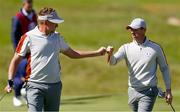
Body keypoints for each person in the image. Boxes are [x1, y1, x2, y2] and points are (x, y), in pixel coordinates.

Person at [5, 7, 106, 111]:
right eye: (54, 22)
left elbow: (73, 53)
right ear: (45, 22)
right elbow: (15, 60)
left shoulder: (57, 37)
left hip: (54, 86)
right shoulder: (28, 37)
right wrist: (10, 81)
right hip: (34, 85)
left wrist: (97, 53)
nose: (57, 25)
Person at [106, 18, 173, 112]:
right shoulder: (126, 48)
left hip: (149, 91)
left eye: (135, 29)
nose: (132, 32)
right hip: (132, 91)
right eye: (131, 29)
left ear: (144, 30)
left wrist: (168, 90)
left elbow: (164, 68)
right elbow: (113, 62)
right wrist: (110, 54)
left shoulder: (155, 48)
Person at [11, 0, 37, 106]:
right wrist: (18, 52)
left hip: (33, 50)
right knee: (20, 74)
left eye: (31, 2)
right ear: (24, 4)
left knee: (31, 73)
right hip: (22, 51)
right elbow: (14, 36)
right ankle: (16, 96)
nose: (30, 4)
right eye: (28, 2)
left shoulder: (34, 16)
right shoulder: (18, 17)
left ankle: (27, 94)